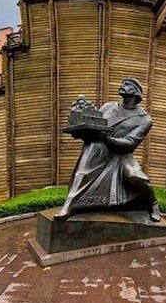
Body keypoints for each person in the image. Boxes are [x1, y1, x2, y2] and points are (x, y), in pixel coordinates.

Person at [55, 78, 160, 221]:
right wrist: (82, 132)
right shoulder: (109, 107)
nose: (125, 98)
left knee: (135, 176)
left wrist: (106, 139)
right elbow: (94, 123)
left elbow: (130, 143)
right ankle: (69, 206)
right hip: (99, 148)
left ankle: (152, 203)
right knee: (83, 171)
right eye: (123, 94)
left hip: (122, 156)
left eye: (128, 95)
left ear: (136, 95)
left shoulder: (144, 119)